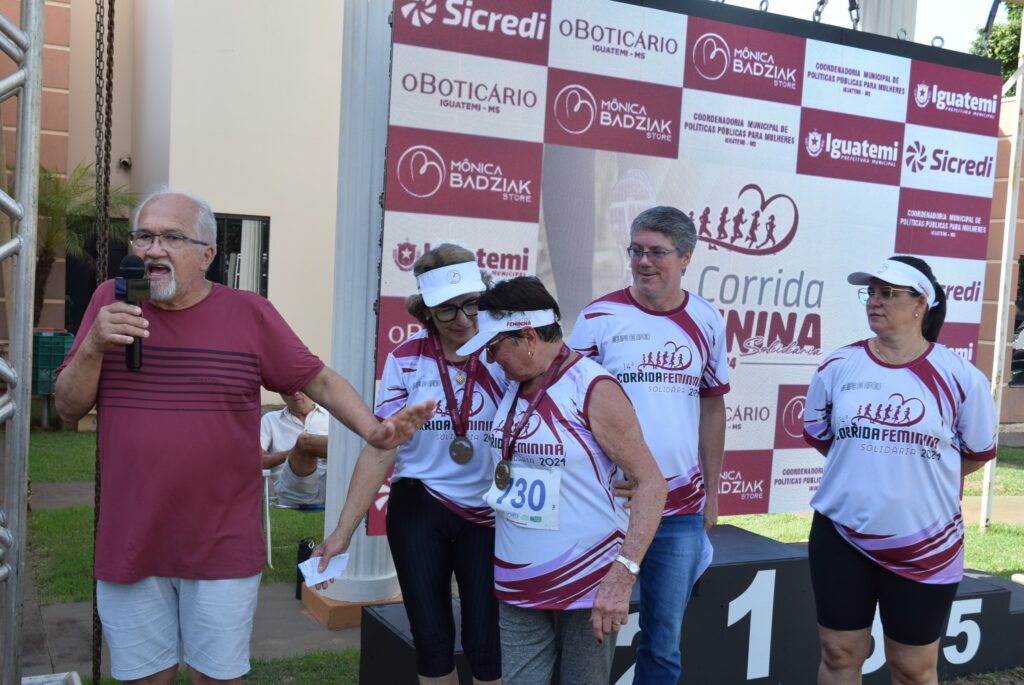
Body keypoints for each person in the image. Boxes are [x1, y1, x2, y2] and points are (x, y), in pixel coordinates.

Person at [53, 189, 434, 685]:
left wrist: (373, 429)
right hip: (130, 541)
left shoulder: (248, 313)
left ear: (207, 254)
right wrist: (94, 346)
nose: (151, 249)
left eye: (171, 237)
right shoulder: (111, 301)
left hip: (220, 543)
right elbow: (67, 406)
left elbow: (316, 379)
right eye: (143, 236)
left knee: (217, 677)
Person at [456, 276, 667, 685]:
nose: (489, 358)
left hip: (588, 579)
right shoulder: (511, 381)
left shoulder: (593, 387)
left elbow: (652, 483)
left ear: (528, 336)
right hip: (516, 575)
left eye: (494, 347)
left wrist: (622, 575)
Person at [314, 245, 505, 685]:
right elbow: (382, 448)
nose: (462, 320)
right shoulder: (406, 358)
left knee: (486, 641)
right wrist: (342, 533)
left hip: (489, 513)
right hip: (421, 507)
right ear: (427, 312)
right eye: (446, 311)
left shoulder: (504, 355)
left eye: (472, 305)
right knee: (432, 639)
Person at [803, 256, 997, 685]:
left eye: (888, 293)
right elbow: (820, 436)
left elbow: (978, 452)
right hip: (841, 534)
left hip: (925, 540)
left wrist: (916, 477)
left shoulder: (962, 377)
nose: (875, 301)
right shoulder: (838, 367)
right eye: (870, 292)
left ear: (920, 304)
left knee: (912, 667)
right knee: (839, 654)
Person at [568, 205, 728, 684]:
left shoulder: (707, 319)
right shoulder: (599, 317)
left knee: (664, 639)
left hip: (679, 508)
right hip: (607, 505)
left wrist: (713, 494)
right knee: (590, 632)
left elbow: (712, 407)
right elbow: (571, 407)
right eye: (636, 250)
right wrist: (597, 474)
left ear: (686, 258)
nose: (643, 262)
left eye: (657, 252)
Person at [261, 391, 329, 507]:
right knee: (304, 442)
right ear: (282, 394)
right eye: (289, 389)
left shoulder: (330, 416)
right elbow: (258, 460)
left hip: (332, 484)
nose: (296, 393)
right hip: (294, 489)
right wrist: (294, 454)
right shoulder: (270, 420)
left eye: (301, 388)